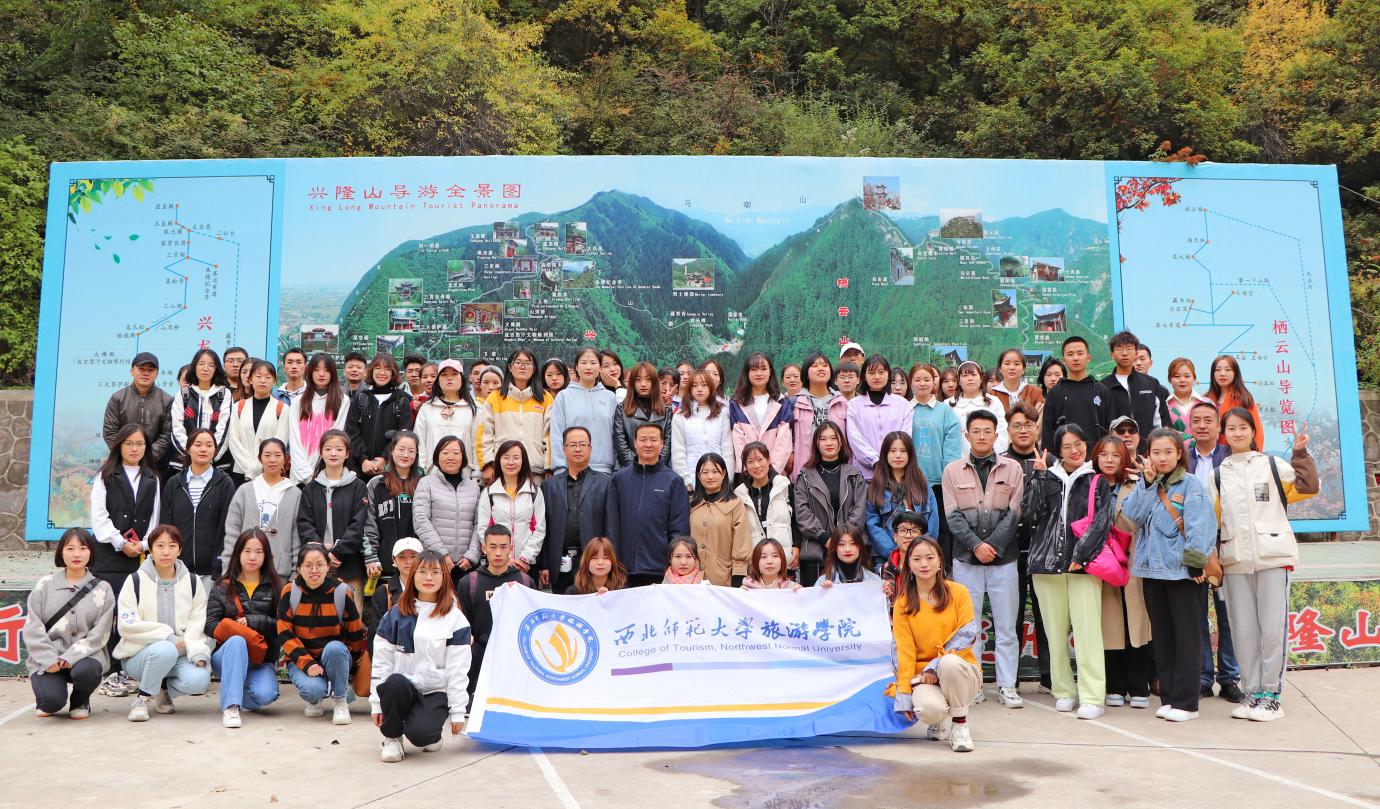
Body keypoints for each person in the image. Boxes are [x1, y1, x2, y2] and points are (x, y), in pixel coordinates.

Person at [1216, 411, 1318, 722]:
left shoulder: (1273, 465)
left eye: (1243, 427)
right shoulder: (1218, 475)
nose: (1237, 433)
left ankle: (1272, 696)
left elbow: (1307, 487)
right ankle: (1252, 693)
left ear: (1253, 431)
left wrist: (1300, 454)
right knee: (1243, 630)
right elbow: (1214, 520)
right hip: (1235, 560)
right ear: (1224, 434)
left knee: (1273, 629)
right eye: (1231, 428)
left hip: (1272, 556)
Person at [1121, 427, 1219, 722]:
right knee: (1162, 638)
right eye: (1156, 452)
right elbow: (1132, 517)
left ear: (1179, 454)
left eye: (1167, 452)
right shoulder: (1148, 483)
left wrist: (1194, 564)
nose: (1161, 458)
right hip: (1152, 572)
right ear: (1148, 455)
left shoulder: (1191, 485)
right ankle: (1170, 697)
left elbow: (1201, 526)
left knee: (1187, 638)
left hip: (1183, 574)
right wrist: (1146, 484)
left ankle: (1187, 703)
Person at [1023, 423, 1114, 719]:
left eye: (1079, 444)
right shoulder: (1046, 476)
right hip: (1046, 565)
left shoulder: (1096, 480)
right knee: (1054, 632)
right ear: (1058, 451)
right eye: (1067, 446)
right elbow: (1029, 514)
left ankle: (1092, 696)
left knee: (1088, 632)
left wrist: (1080, 555)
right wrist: (1038, 477)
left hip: (1083, 567)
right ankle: (1063, 690)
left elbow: (1102, 522)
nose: (1075, 451)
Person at [942, 410, 1025, 709]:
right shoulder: (952, 471)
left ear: (996, 435)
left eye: (987, 431)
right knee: (969, 627)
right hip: (966, 559)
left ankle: (1007, 686)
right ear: (967, 435)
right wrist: (976, 545)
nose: (981, 436)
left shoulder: (1012, 468)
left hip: (1004, 559)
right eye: (975, 431)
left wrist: (992, 545)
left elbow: (1015, 512)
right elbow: (952, 515)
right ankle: (973, 685)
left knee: (1006, 626)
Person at [371, 550, 473, 762]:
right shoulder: (395, 614)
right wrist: (377, 703)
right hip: (403, 688)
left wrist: (457, 711)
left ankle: (430, 732)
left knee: (421, 736)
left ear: (444, 576)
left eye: (435, 572)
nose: (429, 577)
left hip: (435, 691)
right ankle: (392, 738)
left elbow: (458, 669)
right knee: (394, 683)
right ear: (413, 575)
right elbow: (382, 662)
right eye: (423, 571)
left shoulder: (456, 619)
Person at [891, 536, 981, 753]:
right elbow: (903, 651)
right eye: (917, 559)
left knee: (949, 662)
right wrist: (904, 694)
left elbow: (967, 634)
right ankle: (938, 719)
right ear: (908, 564)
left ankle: (960, 724)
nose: (924, 564)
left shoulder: (959, 592)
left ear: (940, 561)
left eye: (930, 558)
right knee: (928, 709)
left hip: (961, 672)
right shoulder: (902, 603)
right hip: (924, 677)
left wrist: (934, 666)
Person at [114, 525, 212, 722]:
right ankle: (142, 699)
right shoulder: (135, 581)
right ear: (150, 549)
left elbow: (198, 622)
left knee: (200, 680)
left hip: (180, 653)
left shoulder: (193, 582)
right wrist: (167, 637)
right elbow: (127, 625)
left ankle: (160, 688)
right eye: (160, 546)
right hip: (139, 656)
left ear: (179, 550)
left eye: (172, 546)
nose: (166, 552)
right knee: (165, 649)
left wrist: (196, 651)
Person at [89, 423, 159, 697]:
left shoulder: (153, 477)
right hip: (109, 556)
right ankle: (109, 672)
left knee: (131, 614)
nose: (134, 448)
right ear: (119, 445)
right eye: (129, 443)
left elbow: (156, 517)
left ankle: (127, 670)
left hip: (139, 556)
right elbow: (99, 518)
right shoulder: (105, 475)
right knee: (110, 613)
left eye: (139, 443)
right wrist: (120, 542)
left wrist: (143, 544)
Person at [1182, 401, 1241, 702]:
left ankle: (1230, 678)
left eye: (1208, 420)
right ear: (1189, 426)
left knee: (1227, 613)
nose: (1202, 425)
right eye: (1197, 420)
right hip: (1192, 544)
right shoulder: (1182, 458)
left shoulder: (1231, 457)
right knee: (1197, 614)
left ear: (1219, 426)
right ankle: (1203, 677)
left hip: (1225, 542)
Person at [23, 529, 113, 720]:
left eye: (83, 548)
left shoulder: (103, 588)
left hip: (85, 658)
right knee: (51, 704)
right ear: (61, 553)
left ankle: (80, 700)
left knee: (88, 671)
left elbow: (100, 633)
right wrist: (49, 659)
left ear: (91, 552)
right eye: (70, 548)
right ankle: (49, 695)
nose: (77, 554)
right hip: (49, 659)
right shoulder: (45, 585)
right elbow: (32, 627)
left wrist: (71, 656)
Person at [1091, 436, 1153, 709]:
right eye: (1104, 454)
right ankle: (1114, 685)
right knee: (1110, 623)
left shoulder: (1136, 484)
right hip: (1103, 562)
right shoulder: (1089, 485)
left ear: (1124, 459)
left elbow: (1143, 518)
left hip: (1133, 559)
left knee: (1137, 622)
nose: (1109, 460)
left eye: (1115, 455)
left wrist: (1146, 483)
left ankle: (1139, 685)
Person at [277, 543, 367, 724]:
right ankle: (314, 699)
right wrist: (307, 662)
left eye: (319, 564)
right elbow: (284, 633)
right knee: (312, 690)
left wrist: (349, 670)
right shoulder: (290, 592)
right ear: (299, 568)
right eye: (308, 565)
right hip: (303, 658)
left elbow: (355, 632)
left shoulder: (341, 592)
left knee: (335, 648)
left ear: (328, 566)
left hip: (335, 657)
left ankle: (340, 700)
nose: (314, 570)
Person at [207, 529, 283, 728]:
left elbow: (283, 627)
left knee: (266, 695)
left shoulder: (275, 587)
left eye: (258, 552)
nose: (252, 557)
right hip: (226, 656)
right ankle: (231, 707)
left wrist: (255, 621)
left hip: (260, 659)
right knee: (237, 641)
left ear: (266, 556)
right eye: (247, 551)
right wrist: (233, 628)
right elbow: (209, 624)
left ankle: (233, 690)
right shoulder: (222, 586)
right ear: (238, 553)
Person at [297, 429, 377, 613]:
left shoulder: (358, 487)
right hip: (316, 565)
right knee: (319, 617)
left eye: (339, 449)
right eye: (328, 449)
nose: (333, 453)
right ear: (321, 452)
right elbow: (304, 524)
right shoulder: (310, 489)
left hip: (349, 564)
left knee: (351, 617)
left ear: (347, 453)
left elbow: (358, 524)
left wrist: (338, 552)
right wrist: (321, 553)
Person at [1003, 402, 1052, 692]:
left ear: (1037, 429)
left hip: (1045, 551)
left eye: (1029, 425)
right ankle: (1011, 678)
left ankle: (1049, 675)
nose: (1023, 431)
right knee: (1012, 616)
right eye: (1017, 426)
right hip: (1010, 550)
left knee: (1048, 615)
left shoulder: (1051, 460)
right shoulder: (1000, 462)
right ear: (1008, 430)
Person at [457, 526, 534, 703]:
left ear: (511, 548)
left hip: (515, 656)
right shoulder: (469, 582)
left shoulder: (524, 582)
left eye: (503, 546)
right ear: (484, 548)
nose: (498, 552)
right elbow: (462, 624)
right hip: (479, 656)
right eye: (492, 546)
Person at [612, 423, 691, 586]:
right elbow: (612, 526)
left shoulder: (673, 481)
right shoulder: (619, 479)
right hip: (623, 569)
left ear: (662, 444)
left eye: (653, 440)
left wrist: (672, 562)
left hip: (659, 570)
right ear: (635, 443)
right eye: (643, 440)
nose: (648, 444)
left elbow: (679, 529)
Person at [542, 427, 618, 594]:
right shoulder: (549, 485)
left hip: (592, 561)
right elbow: (545, 528)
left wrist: (611, 561)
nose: (578, 449)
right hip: (560, 562)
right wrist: (545, 564)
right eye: (572, 445)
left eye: (582, 444)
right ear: (564, 449)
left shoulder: (605, 483)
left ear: (590, 449)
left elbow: (611, 527)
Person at [793, 421, 867, 586]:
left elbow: (860, 509)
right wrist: (825, 538)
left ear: (841, 442)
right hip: (815, 550)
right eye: (823, 439)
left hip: (849, 548)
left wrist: (843, 539)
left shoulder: (854, 475)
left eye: (833, 438)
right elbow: (802, 512)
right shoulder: (805, 476)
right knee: (815, 597)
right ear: (816, 443)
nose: (829, 443)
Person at [161, 427, 237, 582]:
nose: (203, 449)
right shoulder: (174, 483)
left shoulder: (224, 483)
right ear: (188, 448)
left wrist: (220, 564)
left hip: (212, 572)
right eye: (198, 444)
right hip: (178, 571)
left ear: (215, 451)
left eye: (209, 445)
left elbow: (227, 527)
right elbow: (165, 526)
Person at [222, 437, 301, 581]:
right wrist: (228, 571)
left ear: (285, 458)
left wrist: (296, 574)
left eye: (278, 455)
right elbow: (232, 533)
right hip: (244, 572)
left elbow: (297, 536)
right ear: (260, 458)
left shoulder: (295, 493)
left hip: (280, 572)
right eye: (267, 455)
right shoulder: (245, 490)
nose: (272, 460)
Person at [476, 347, 553, 480]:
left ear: (534, 369)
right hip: (501, 469)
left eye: (527, 363)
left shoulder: (545, 398)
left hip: (535, 469)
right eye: (518, 362)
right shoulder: (495, 397)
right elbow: (484, 433)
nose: (522, 366)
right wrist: (487, 464)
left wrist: (549, 467)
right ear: (510, 367)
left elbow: (550, 436)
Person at [476, 440, 547, 577]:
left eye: (516, 458)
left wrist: (524, 559)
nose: (511, 462)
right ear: (499, 461)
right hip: (497, 564)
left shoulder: (534, 492)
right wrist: (505, 559)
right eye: (506, 458)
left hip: (526, 566)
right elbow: (483, 529)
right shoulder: (489, 493)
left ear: (523, 461)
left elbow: (540, 529)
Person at [413, 435, 482, 576]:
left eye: (456, 453)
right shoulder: (426, 483)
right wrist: (441, 554)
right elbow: (420, 520)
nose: (451, 457)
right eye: (445, 453)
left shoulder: (473, 488)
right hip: (435, 563)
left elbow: (479, 524)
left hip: (466, 565)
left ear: (463, 458)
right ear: (437, 457)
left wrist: (472, 555)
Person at [865, 432, 938, 564]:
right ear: (885, 454)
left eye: (903, 451)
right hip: (886, 558)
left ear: (910, 454)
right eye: (892, 451)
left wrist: (919, 550)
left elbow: (933, 522)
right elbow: (872, 525)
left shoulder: (922, 485)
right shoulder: (876, 486)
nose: (898, 455)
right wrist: (895, 552)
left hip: (920, 558)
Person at [549, 347, 617, 474]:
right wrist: (560, 468)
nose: (588, 367)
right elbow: (556, 434)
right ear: (576, 367)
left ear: (600, 368)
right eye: (584, 363)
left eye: (593, 363)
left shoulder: (610, 397)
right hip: (571, 470)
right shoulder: (564, 396)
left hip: (604, 469)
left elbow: (616, 435)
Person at [1041, 336, 1114, 454]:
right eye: (1070, 354)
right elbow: (1048, 433)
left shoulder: (1102, 391)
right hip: (1065, 460)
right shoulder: (1055, 393)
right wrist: (1050, 460)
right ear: (1064, 360)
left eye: (1080, 353)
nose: (1075, 358)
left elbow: (1111, 430)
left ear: (1088, 358)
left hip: (1097, 459)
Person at [347, 353, 415, 478]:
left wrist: (385, 458)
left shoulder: (402, 400)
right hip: (360, 469)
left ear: (393, 373)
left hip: (391, 470)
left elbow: (403, 434)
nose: (382, 373)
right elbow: (352, 432)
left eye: (387, 369)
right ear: (371, 371)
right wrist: (363, 459)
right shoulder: (361, 398)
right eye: (378, 368)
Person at [103, 351, 173, 472]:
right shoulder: (118, 398)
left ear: (157, 374)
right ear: (132, 371)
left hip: (155, 466)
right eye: (141, 369)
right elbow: (110, 432)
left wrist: (147, 456)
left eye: (150, 370)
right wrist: (127, 455)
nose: (146, 373)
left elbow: (166, 435)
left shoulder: (167, 400)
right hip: (122, 464)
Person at [689, 453, 751, 587]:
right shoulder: (691, 505)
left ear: (724, 474)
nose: (710, 476)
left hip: (723, 579)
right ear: (698, 476)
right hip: (691, 579)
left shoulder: (735, 505)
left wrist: (738, 576)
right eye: (705, 472)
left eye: (715, 471)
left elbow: (742, 544)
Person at [846, 355, 912, 481]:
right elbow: (855, 439)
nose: (877, 376)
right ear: (864, 376)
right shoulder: (854, 405)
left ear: (888, 375)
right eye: (872, 373)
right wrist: (875, 461)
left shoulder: (903, 405)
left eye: (881, 372)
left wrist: (891, 459)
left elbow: (906, 436)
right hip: (864, 476)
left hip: (896, 474)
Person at [168, 348, 233, 475]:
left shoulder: (224, 394)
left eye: (211, 365)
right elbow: (176, 428)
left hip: (217, 466)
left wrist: (210, 456)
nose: (205, 368)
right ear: (194, 367)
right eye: (201, 364)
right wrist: (192, 455)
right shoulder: (183, 394)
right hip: (184, 464)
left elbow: (224, 429)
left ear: (216, 369)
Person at [367, 430, 422, 580]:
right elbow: (368, 523)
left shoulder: (423, 484)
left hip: (417, 567)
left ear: (416, 454)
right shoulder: (376, 484)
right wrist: (371, 556)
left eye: (411, 451)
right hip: (383, 565)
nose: (405, 455)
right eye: (401, 449)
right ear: (392, 450)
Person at [1101, 331, 1170, 451]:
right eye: (1119, 349)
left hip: (1147, 453)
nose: (1124, 353)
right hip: (1115, 453)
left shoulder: (1151, 383)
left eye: (1129, 348)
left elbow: (1162, 421)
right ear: (1112, 354)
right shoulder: (1103, 386)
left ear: (1136, 353)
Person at [288, 353, 351, 483]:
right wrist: (303, 470)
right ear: (310, 372)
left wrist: (317, 470)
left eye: (326, 370)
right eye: (316, 370)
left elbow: (335, 438)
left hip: (326, 472)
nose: (321, 374)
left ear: (332, 373)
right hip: (298, 474)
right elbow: (294, 438)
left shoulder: (342, 400)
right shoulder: (298, 401)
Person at [728, 352, 794, 473]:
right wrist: (749, 471)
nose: (759, 373)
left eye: (763, 369)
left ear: (770, 372)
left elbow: (784, 441)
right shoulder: (736, 403)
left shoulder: (782, 402)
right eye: (754, 369)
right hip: (747, 474)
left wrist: (771, 472)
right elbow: (738, 441)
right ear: (747, 373)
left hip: (775, 473)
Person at [227, 360, 291, 481]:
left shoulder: (282, 408)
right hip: (241, 471)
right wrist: (251, 468)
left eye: (268, 377)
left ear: (274, 381)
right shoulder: (238, 407)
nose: (263, 380)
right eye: (258, 376)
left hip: (270, 471)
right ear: (250, 380)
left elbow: (281, 441)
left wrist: (260, 466)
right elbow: (233, 441)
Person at [673, 368, 735, 488]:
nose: (699, 389)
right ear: (689, 388)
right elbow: (678, 451)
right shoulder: (680, 416)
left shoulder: (722, 413)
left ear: (711, 387)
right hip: (692, 479)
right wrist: (687, 481)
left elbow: (727, 449)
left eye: (704, 385)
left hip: (720, 480)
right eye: (695, 385)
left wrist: (727, 478)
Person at [414, 359, 477, 475]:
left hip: (464, 475)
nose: (449, 378)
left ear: (462, 379)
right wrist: (420, 470)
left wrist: (476, 473)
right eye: (444, 375)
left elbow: (476, 444)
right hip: (432, 474)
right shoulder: (427, 408)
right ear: (438, 381)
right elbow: (419, 442)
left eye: (454, 374)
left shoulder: (472, 409)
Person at [791, 353, 848, 480]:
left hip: (837, 469)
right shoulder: (795, 403)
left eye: (824, 365)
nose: (821, 368)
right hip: (806, 468)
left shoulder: (842, 402)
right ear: (806, 373)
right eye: (815, 365)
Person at [735, 442, 794, 563]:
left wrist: (797, 546)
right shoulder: (740, 494)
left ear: (769, 460)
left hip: (783, 557)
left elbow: (796, 519)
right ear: (745, 465)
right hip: (755, 560)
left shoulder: (783, 485)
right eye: (750, 461)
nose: (756, 466)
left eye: (760, 459)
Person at [614, 361, 674, 468]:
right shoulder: (621, 409)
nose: (643, 384)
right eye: (638, 380)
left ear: (654, 382)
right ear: (632, 383)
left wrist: (655, 467)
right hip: (629, 470)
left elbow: (667, 444)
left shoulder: (666, 411)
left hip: (659, 470)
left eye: (648, 379)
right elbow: (621, 443)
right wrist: (636, 467)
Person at [946, 360, 1009, 456]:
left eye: (974, 375)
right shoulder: (948, 405)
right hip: (958, 460)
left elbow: (1002, 433)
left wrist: (995, 457)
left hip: (991, 459)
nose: (970, 379)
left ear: (981, 378)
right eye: (965, 375)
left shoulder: (994, 402)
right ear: (959, 381)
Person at [368, 537, 422, 647]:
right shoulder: (383, 592)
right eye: (402, 557)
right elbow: (375, 633)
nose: (408, 561)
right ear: (394, 560)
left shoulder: (432, 589)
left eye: (413, 556)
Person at [1209, 355, 1265, 451]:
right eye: (1218, 370)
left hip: (1238, 453)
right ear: (1213, 374)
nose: (1222, 374)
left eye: (1228, 370)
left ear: (1235, 373)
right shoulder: (1206, 399)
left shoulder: (1243, 398)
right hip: (1211, 454)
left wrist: (1255, 454)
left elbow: (1256, 430)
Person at [1165, 358, 1212, 442]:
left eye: (1187, 376)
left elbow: (1215, 431)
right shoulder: (1165, 406)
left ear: (1194, 379)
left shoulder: (1207, 403)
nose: (1182, 380)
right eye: (1177, 376)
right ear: (1169, 380)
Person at [990, 348, 1044, 414]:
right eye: (1007, 364)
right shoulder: (992, 394)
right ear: (1000, 369)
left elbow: (1040, 416)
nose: (1012, 368)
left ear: (1023, 369)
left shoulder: (1035, 392)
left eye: (1016, 364)